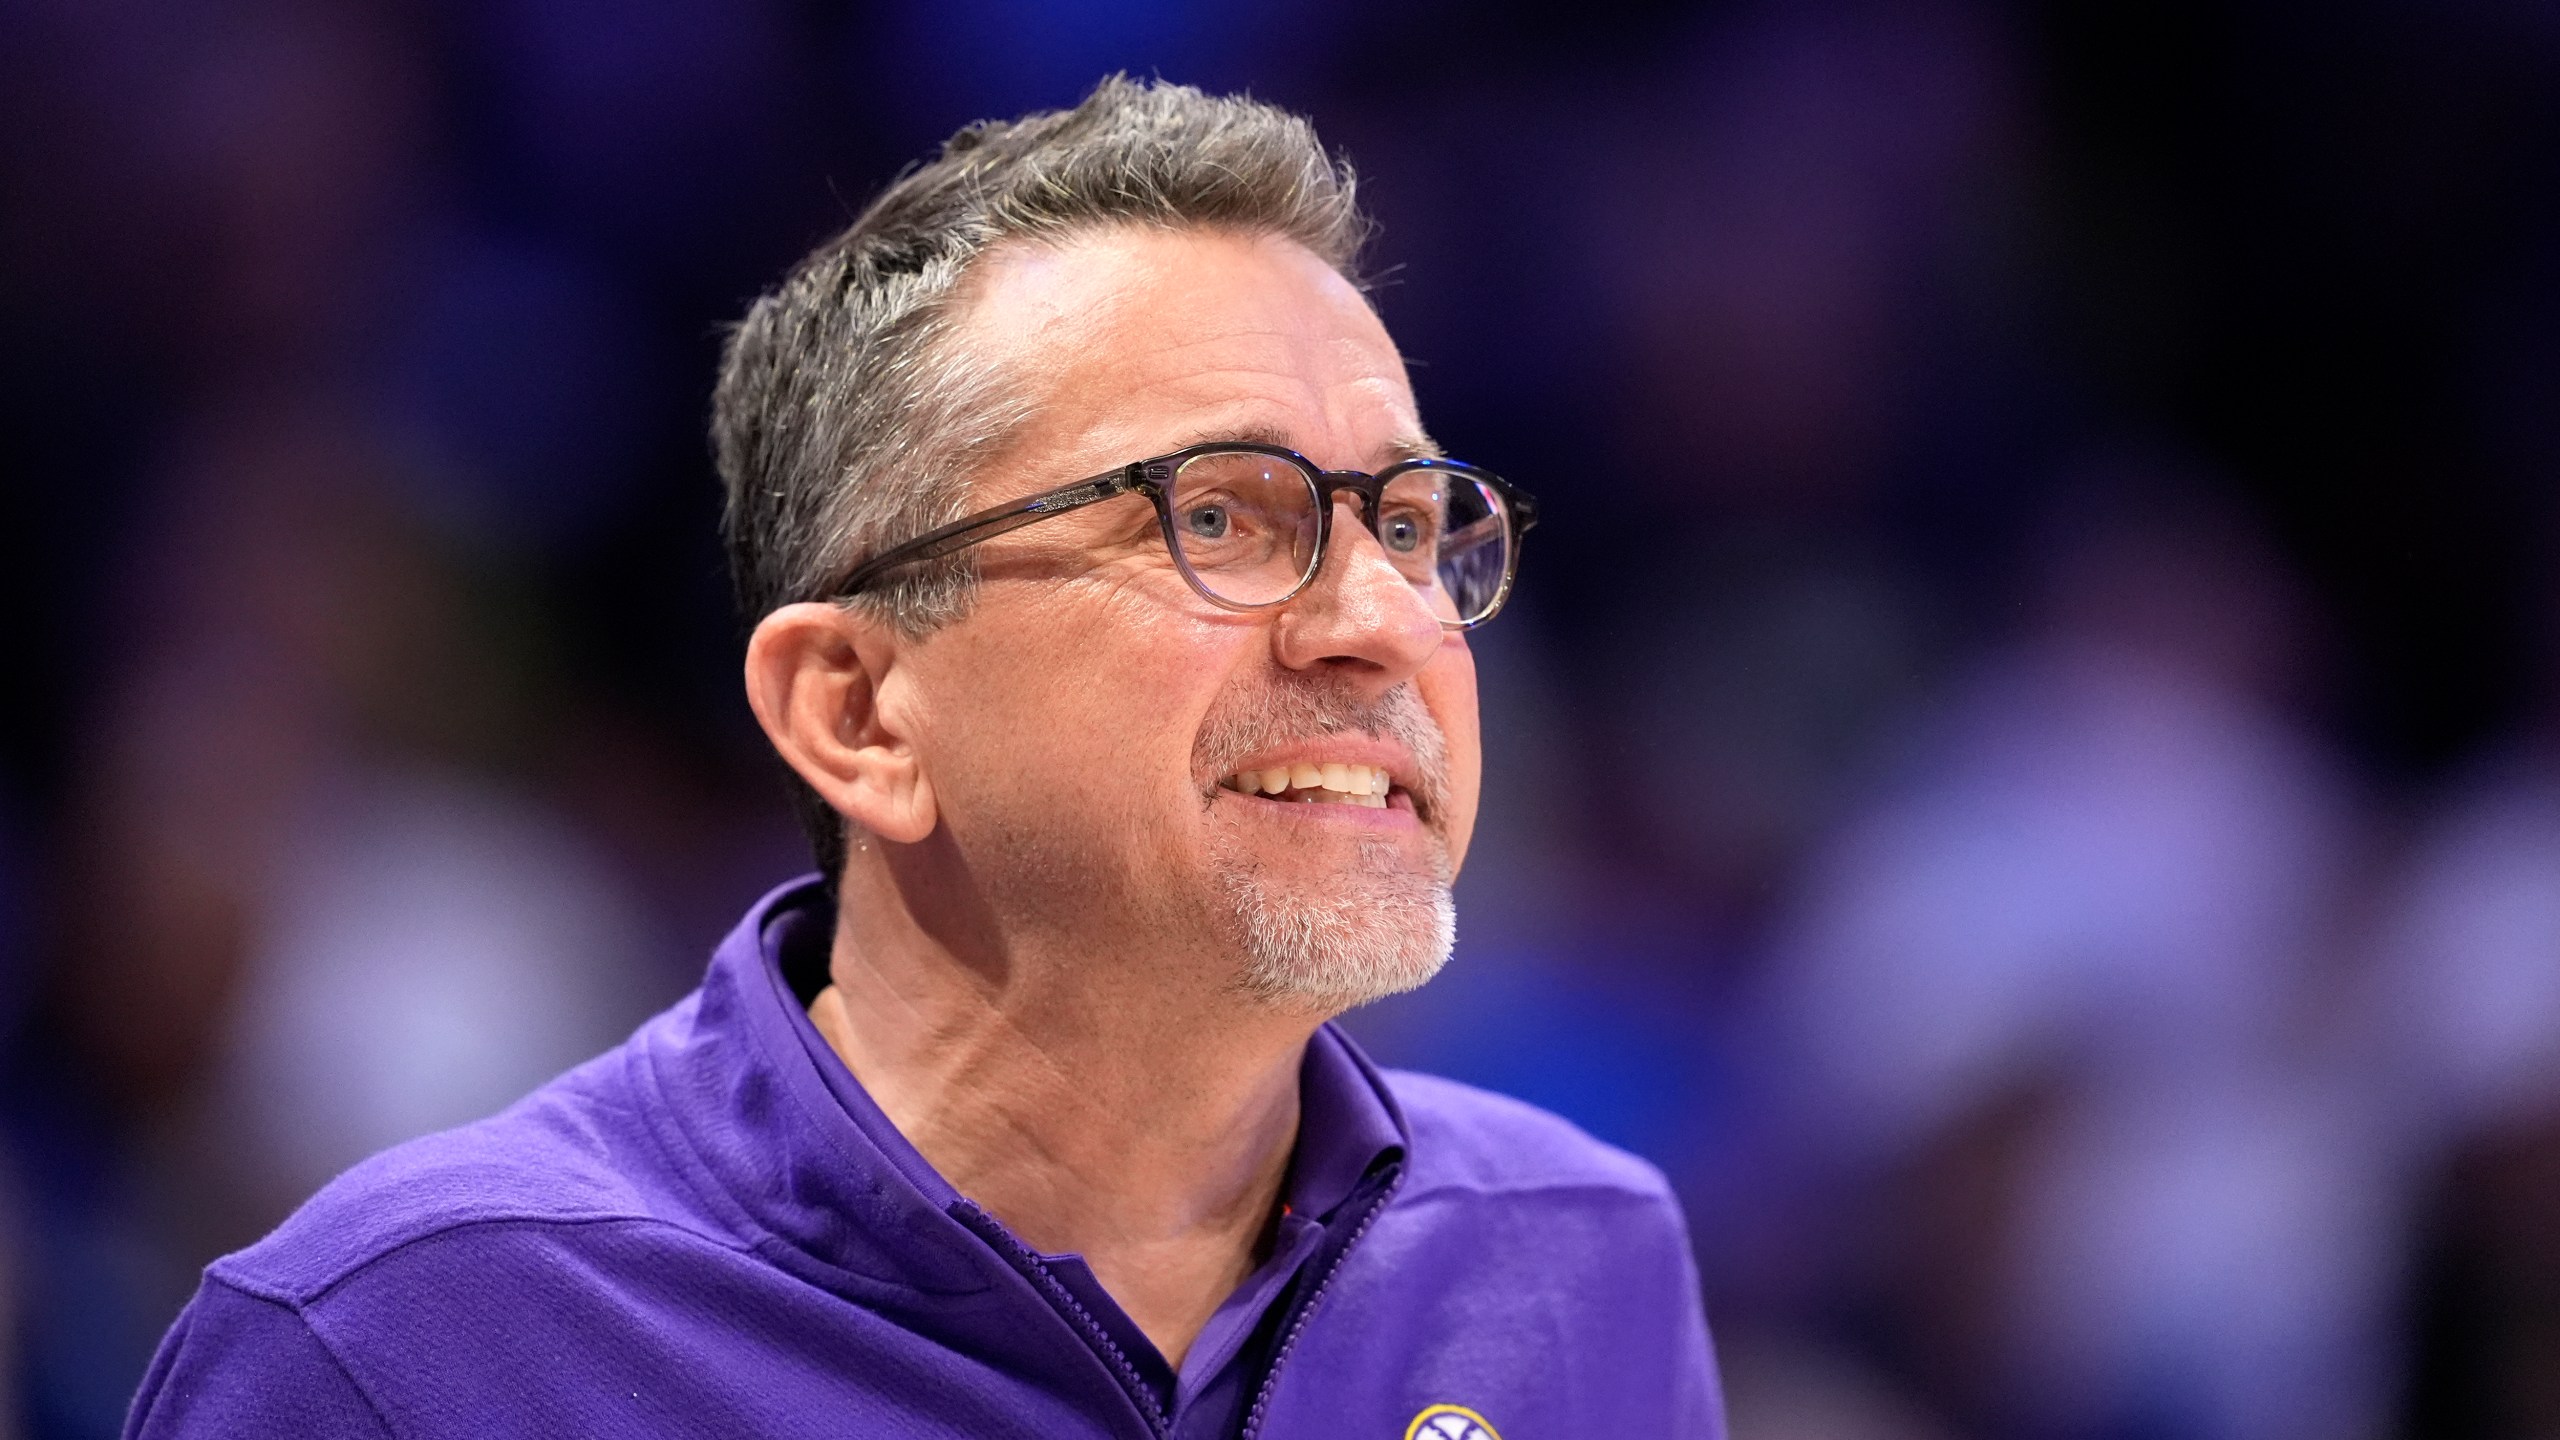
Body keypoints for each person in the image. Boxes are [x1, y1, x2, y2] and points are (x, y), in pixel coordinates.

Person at [124, 78, 1722, 1440]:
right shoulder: (406, 1353)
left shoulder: (1577, 1266)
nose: (1380, 617)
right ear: (858, 713)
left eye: (1411, 524)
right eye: (1222, 518)